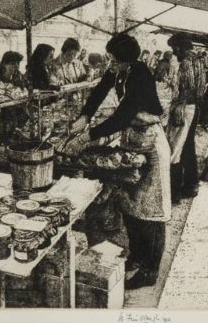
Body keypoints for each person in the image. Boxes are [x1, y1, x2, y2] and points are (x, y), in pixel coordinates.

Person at [69, 33, 171, 289]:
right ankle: (137, 257)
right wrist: (84, 116)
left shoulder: (140, 75)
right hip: (134, 141)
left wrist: (88, 137)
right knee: (132, 208)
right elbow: (100, 89)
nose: (110, 65)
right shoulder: (119, 72)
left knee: (152, 213)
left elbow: (123, 115)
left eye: (113, 61)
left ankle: (149, 272)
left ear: (126, 61)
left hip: (150, 144)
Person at [166, 32, 206, 203]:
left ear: (180, 47)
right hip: (194, 107)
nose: (174, 53)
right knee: (188, 147)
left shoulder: (187, 62)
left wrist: (176, 104)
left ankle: (174, 193)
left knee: (175, 149)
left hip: (185, 107)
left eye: (174, 49)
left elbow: (189, 88)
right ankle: (191, 186)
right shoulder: (199, 60)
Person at [0, 51, 27, 146]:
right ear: (4, 64)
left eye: (17, 64)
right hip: (1, 114)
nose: (16, 66)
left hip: (15, 112)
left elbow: (23, 88)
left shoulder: (17, 74)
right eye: (12, 64)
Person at [154, 51, 177, 128]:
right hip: (165, 92)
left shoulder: (159, 64)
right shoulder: (170, 67)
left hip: (157, 89)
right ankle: (163, 126)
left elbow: (156, 77)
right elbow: (172, 82)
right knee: (165, 111)